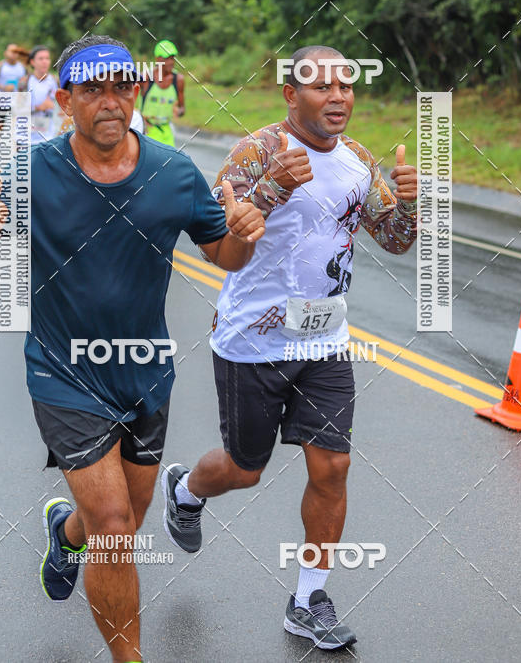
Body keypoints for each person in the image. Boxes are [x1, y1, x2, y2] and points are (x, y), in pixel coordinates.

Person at [0, 35, 266, 663]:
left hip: (144, 375)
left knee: (121, 521)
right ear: (65, 99)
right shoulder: (29, 171)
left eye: (121, 86)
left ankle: (64, 533)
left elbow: (224, 255)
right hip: (63, 374)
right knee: (116, 529)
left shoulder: (173, 173)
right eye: (92, 89)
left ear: (137, 92)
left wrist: (247, 233)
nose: (109, 101)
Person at [162, 45, 419, 652]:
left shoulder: (357, 158)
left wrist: (412, 203)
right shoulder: (256, 153)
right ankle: (186, 490)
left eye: (346, 87)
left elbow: (396, 241)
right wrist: (271, 190)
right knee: (244, 471)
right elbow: (221, 247)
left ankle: (309, 599)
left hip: (326, 340)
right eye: (322, 87)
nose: (338, 98)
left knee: (332, 466)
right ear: (290, 95)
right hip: (253, 342)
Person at [139, 39, 184, 146]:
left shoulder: (178, 79)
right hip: (147, 131)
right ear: (157, 59)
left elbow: (182, 109)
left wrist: (178, 111)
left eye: (172, 58)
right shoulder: (145, 77)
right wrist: (139, 117)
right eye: (166, 58)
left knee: (170, 161)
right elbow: (126, 100)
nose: (171, 62)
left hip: (166, 130)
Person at [0, 43, 27, 160]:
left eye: (16, 52)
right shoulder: (0, 66)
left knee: (15, 126)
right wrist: (3, 87)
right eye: (11, 51)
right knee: (1, 126)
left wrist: (22, 85)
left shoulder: (22, 67)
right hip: (3, 101)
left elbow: (26, 82)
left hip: (17, 102)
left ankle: (14, 153)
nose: (14, 54)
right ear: (6, 53)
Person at [18, 45, 58, 145]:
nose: (45, 61)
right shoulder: (25, 82)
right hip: (26, 135)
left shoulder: (54, 81)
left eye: (47, 58)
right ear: (32, 62)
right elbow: (18, 109)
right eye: (41, 59)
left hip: (47, 135)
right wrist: (39, 107)